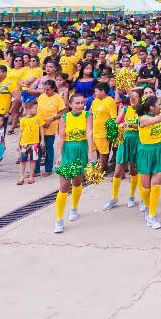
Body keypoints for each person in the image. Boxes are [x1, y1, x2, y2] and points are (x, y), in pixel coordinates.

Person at [52, 93, 94, 234]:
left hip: (81, 150)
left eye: (82, 103)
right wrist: (59, 155)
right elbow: (61, 137)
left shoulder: (88, 115)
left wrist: (90, 152)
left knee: (77, 182)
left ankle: (74, 208)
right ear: (70, 104)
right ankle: (59, 219)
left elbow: (89, 133)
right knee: (64, 186)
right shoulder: (64, 117)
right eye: (77, 103)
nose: (81, 105)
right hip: (67, 151)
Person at [134, 91, 161, 230]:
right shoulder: (143, 118)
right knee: (146, 187)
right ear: (151, 107)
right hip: (146, 152)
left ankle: (151, 215)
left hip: (159, 150)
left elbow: (160, 132)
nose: (160, 107)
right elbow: (159, 119)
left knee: (156, 184)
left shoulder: (157, 117)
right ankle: (147, 207)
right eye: (158, 105)